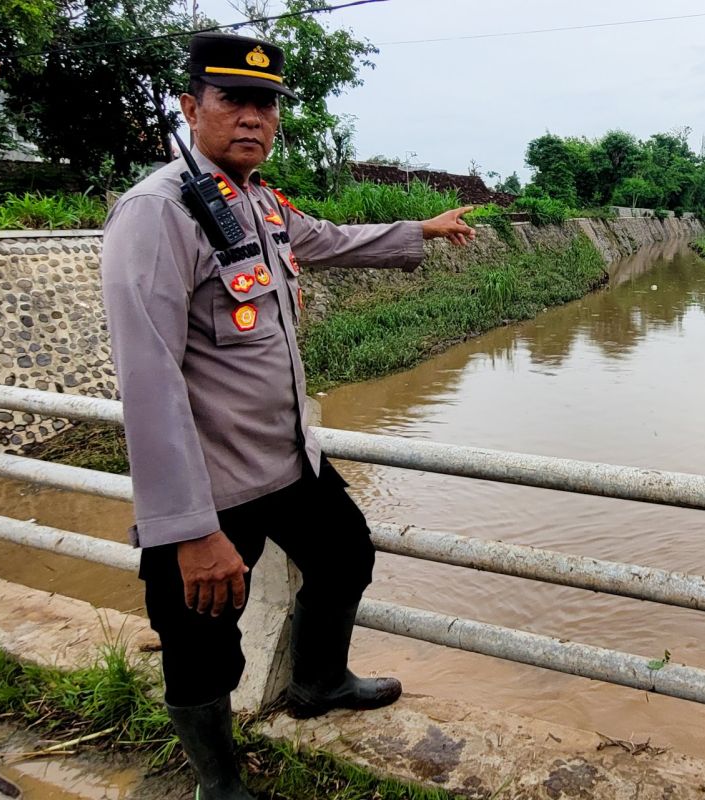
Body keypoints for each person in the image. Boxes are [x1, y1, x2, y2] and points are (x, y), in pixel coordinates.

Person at [99, 31, 476, 800]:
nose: (252, 117)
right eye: (232, 99)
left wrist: (420, 232)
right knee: (199, 642)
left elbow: (327, 239)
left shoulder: (255, 200)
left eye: (265, 103)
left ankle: (319, 682)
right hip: (212, 485)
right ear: (189, 107)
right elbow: (148, 382)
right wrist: (191, 531)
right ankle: (220, 784)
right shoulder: (157, 213)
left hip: (285, 458)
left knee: (345, 554)